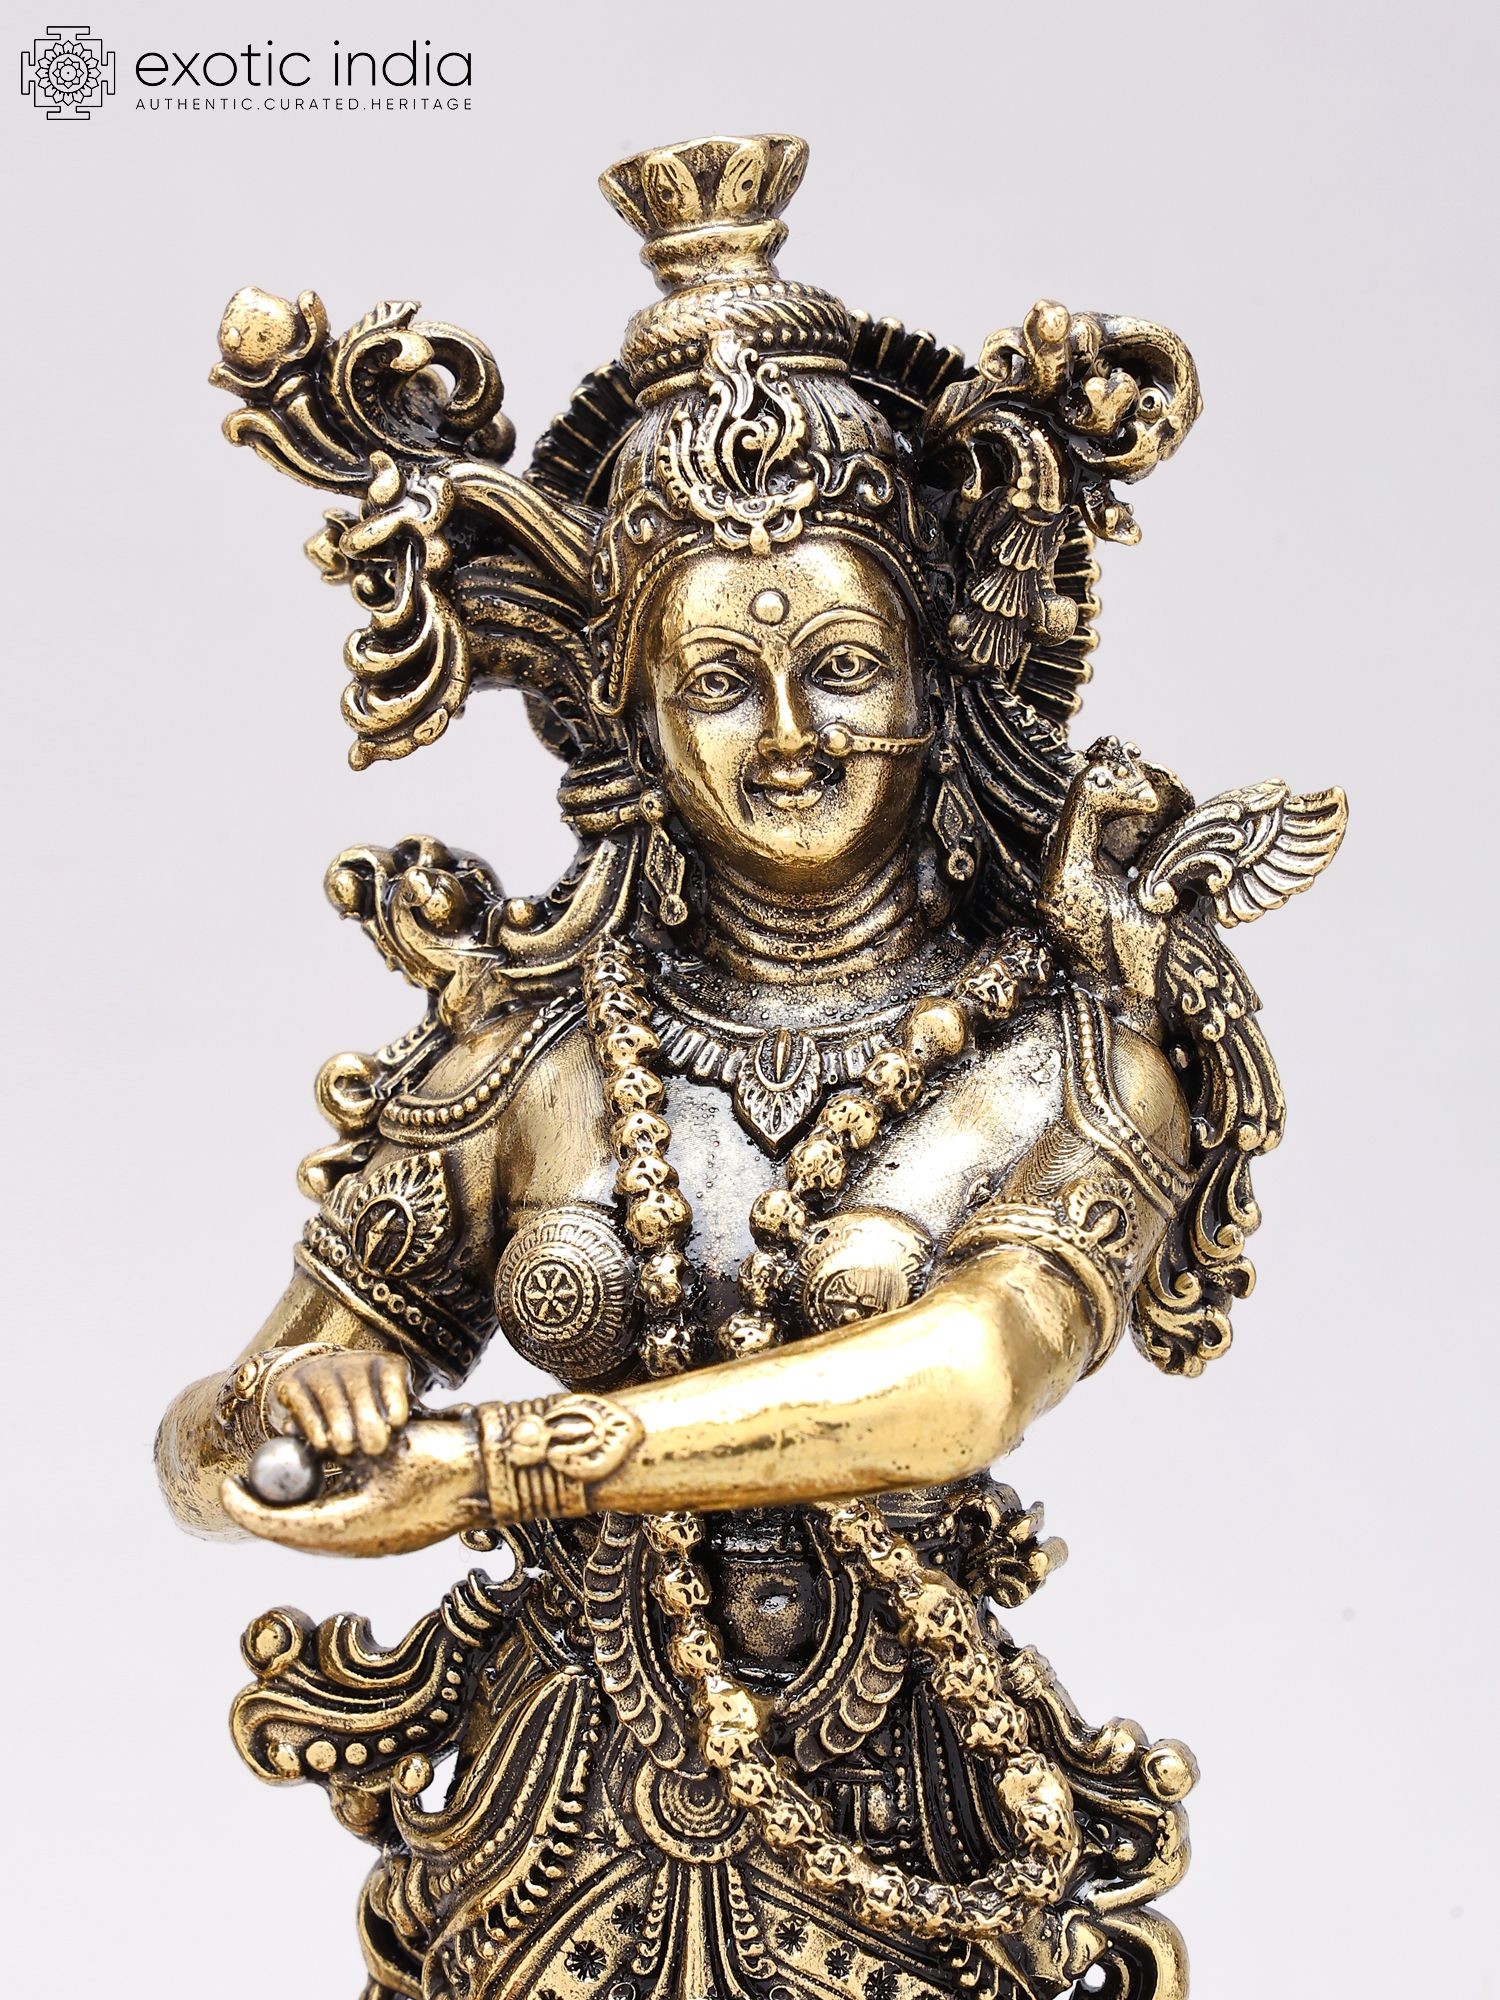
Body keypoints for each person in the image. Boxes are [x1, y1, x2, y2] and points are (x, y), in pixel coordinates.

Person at [158, 134, 1343, 2000]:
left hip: (903, 1806)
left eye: (844, 664)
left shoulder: (1078, 1046)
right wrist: (304, 1414)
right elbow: (227, 1428)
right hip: (548, 1827)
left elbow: (965, 1379)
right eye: (719, 680)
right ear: (625, 715)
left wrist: (497, 1469)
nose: (790, 735)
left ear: (941, 679)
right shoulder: (536, 1042)